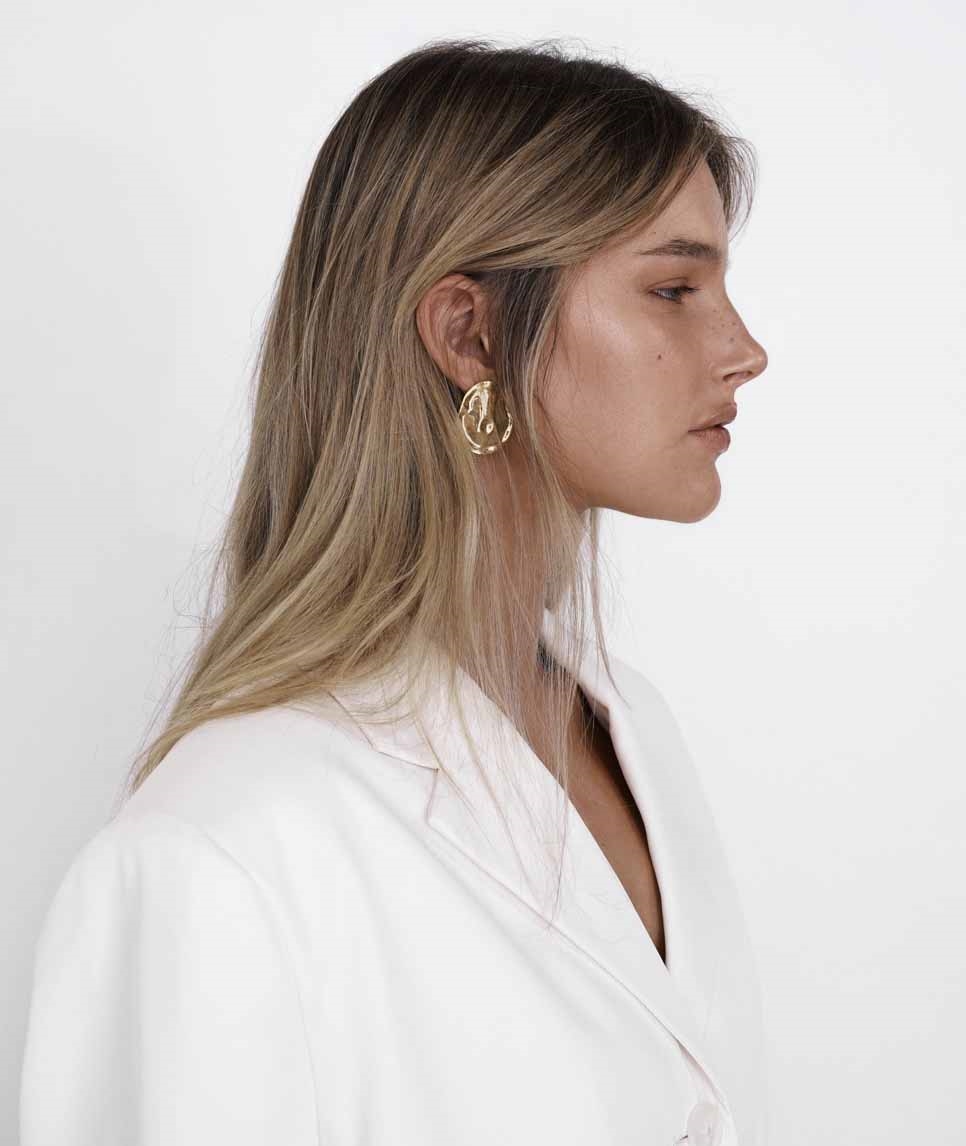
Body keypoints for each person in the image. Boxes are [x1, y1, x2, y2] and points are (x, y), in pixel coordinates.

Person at [19, 37, 769, 1146]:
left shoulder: (636, 733)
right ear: (470, 335)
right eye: (673, 290)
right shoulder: (223, 854)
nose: (745, 350)